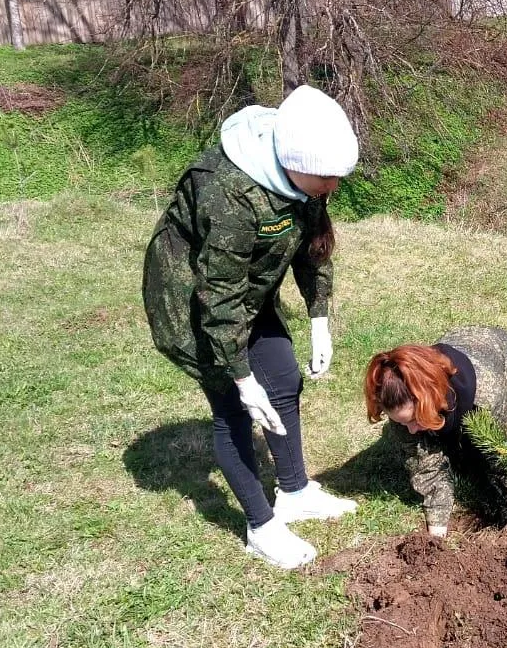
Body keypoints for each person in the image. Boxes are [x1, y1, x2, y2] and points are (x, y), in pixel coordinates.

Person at [142, 85, 361, 570]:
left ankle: (295, 491)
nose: (333, 188)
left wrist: (318, 315)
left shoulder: (304, 175)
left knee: (281, 377)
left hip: (246, 289)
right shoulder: (229, 192)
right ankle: (261, 527)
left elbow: (313, 245)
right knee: (234, 411)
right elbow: (218, 297)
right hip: (196, 303)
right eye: (326, 178)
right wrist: (241, 378)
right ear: (293, 161)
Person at [364, 327, 507, 537]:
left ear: (432, 400)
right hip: (457, 350)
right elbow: (426, 468)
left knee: (494, 454)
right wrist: (437, 534)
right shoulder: (400, 403)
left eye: (413, 420)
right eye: (401, 422)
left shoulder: (487, 396)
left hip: (505, 361)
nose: (409, 429)